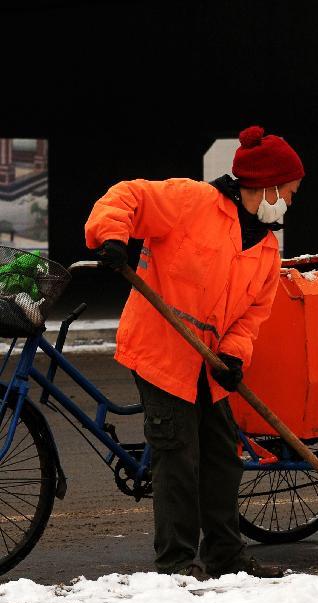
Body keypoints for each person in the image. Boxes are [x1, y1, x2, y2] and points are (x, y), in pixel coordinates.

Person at [84, 125, 304, 579]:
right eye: (290, 191)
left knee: (223, 456)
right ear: (265, 186)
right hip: (161, 352)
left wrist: (235, 356)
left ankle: (226, 556)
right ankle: (177, 564)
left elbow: (252, 314)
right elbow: (127, 197)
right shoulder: (192, 202)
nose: (290, 201)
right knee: (178, 453)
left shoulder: (267, 248)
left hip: (208, 365)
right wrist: (112, 236)